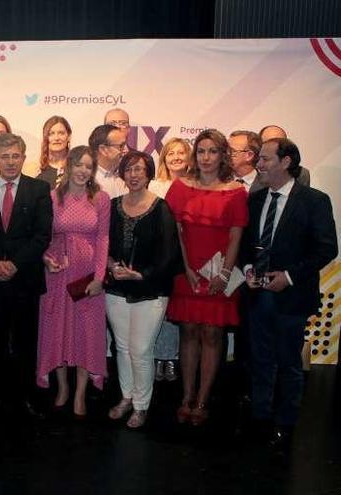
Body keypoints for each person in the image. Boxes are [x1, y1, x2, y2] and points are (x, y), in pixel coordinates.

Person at [242, 138, 336, 449]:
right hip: (258, 297)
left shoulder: (314, 200)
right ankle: (259, 418)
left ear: (286, 162)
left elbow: (327, 248)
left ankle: (286, 423)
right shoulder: (255, 200)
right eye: (260, 159)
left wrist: (289, 276)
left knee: (289, 364)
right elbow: (246, 246)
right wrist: (248, 271)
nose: (260, 164)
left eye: (266, 159)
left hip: (292, 298)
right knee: (260, 360)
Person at [165, 129, 247, 426]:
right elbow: (175, 233)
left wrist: (224, 273)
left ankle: (202, 400)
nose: (206, 157)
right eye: (201, 151)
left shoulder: (236, 191)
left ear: (222, 155)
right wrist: (186, 267)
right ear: (194, 155)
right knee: (188, 332)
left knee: (212, 334)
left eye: (213, 151)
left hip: (220, 274)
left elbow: (236, 235)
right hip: (187, 272)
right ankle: (186, 397)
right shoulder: (179, 187)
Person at [0, 134, 52, 422]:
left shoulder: (40, 189)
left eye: (16, 156)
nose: (11, 161)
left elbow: (42, 236)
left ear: (23, 157)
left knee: (26, 344)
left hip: (24, 280)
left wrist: (15, 264)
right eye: (5, 156)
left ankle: (26, 397)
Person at [104, 151, 181, 428]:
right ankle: (126, 397)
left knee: (140, 349)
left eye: (139, 169)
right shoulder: (112, 206)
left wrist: (141, 274)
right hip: (115, 289)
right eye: (129, 169)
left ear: (149, 173)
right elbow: (104, 245)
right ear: (122, 174)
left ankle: (141, 405)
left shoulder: (162, 208)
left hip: (151, 290)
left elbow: (169, 255)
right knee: (122, 347)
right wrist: (112, 266)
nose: (134, 174)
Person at [36, 145, 110, 417]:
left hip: (87, 278)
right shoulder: (53, 197)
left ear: (93, 171)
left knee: (85, 334)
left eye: (88, 166)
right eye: (78, 165)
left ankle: (80, 393)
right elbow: (43, 236)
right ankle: (62, 388)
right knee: (58, 331)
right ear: (68, 167)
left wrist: (100, 278)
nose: (83, 171)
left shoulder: (100, 199)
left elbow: (103, 239)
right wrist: (46, 258)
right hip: (57, 275)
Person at [149, 137, 192, 381]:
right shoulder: (154, 186)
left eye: (181, 153)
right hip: (157, 258)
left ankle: (172, 358)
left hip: (184, 257)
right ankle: (158, 356)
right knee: (159, 310)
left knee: (176, 310)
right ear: (163, 158)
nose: (176, 157)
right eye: (170, 153)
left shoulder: (195, 185)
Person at [89, 124, 129, 199]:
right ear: (103, 149)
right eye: (121, 146)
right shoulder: (87, 181)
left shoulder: (126, 176)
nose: (126, 150)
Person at [36, 115, 71, 189]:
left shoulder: (78, 167)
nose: (56, 138)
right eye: (51, 134)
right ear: (45, 138)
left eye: (61, 133)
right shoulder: (36, 171)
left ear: (68, 136)